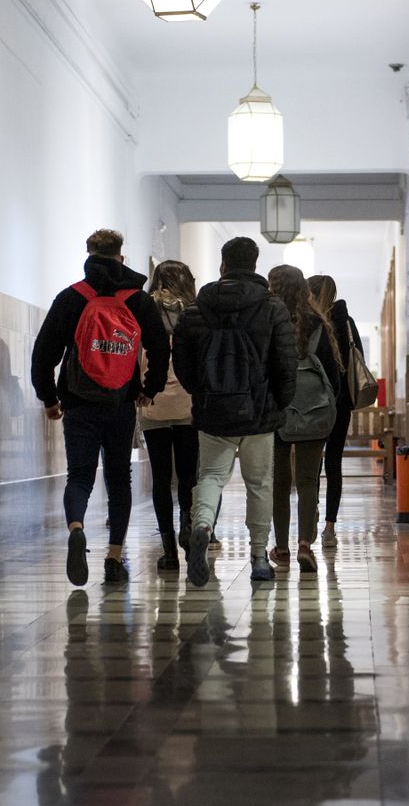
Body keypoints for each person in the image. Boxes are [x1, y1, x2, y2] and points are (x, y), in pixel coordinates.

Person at [31, 228, 170, 587]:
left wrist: (49, 398)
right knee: (118, 477)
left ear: (89, 254)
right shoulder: (138, 301)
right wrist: (149, 388)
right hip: (121, 403)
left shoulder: (71, 298)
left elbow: (44, 353)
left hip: (78, 403)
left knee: (79, 475)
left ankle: (76, 527)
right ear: (121, 257)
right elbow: (160, 348)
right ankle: (113, 555)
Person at [173, 236, 298, 585]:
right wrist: (278, 403)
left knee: (211, 476)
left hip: (213, 410)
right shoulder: (273, 308)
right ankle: (259, 558)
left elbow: (181, 361)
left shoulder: (196, 310)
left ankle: (201, 526)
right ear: (255, 265)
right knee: (259, 483)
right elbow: (286, 364)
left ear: (223, 265)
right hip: (258, 413)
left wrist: (201, 392)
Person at [268, 265, 343, 575]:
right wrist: (327, 405)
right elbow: (333, 374)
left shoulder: (268, 320)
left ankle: (282, 548)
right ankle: (304, 545)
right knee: (308, 481)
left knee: (280, 483)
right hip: (313, 410)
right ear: (303, 290)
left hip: (277, 411)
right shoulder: (317, 323)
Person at [139, 260, 200, 573]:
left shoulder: (144, 310)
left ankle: (168, 551)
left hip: (153, 401)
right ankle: (188, 529)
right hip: (190, 403)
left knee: (161, 478)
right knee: (189, 475)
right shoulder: (195, 311)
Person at [307, 274, 365, 550]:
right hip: (342, 404)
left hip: (315, 400)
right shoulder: (348, 322)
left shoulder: (310, 322)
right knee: (334, 463)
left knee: (312, 462)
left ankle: (313, 512)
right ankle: (330, 527)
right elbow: (359, 360)